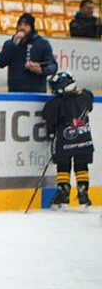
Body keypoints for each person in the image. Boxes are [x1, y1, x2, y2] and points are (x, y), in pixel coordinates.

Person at [42, 71, 93, 206]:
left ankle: (63, 193)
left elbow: (50, 121)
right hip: (84, 140)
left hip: (65, 142)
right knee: (82, 165)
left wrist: (51, 133)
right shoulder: (85, 96)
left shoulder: (55, 104)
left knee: (63, 165)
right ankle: (83, 194)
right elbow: (89, 101)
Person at [0, 13, 58, 92]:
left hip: (36, 93)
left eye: (26, 25)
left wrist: (41, 70)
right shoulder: (10, 44)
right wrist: (12, 45)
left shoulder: (42, 43)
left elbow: (53, 66)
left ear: (32, 27)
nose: (22, 28)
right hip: (15, 93)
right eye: (20, 25)